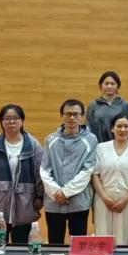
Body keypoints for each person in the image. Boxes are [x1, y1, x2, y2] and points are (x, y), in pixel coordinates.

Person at [0, 103, 44, 244]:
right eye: (7, 118)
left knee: (21, 249)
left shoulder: (33, 145)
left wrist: (40, 197)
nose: (11, 122)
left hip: (24, 207)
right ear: (1, 122)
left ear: (22, 121)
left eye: (15, 118)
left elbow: (40, 173)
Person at [40, 99, 97, 244]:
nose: (72, 118)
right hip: (54, 201)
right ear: (62, 115)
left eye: (76, 114)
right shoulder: (50, 139)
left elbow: (88, 169)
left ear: (82, 116)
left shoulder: (91, 139)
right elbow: (44, 169)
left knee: (78, 244)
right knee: (54, 243)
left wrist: (66, 192)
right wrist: (57, 192)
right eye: (68, 114)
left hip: (78, 201)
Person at [91, 113, 128, 243]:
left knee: (122, 239)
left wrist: (125, 200)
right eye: (119, 126)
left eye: (126, 126)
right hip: (103, 198)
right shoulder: (101, 148)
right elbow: (95, 174)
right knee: (102, 239)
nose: (123, 130)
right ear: (112, 129)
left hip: (126, 199)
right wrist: (105, 198)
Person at [86, 71, 128, 144]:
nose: (109, 86)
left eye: (112, 83)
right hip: (97, 146)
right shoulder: (93, 105)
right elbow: (88, 128)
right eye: (106, 83)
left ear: (117, 85)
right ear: (101, 85)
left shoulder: (124, 105)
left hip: (118, 146)